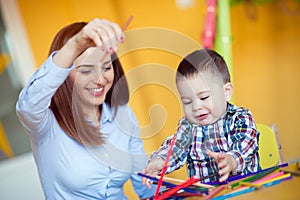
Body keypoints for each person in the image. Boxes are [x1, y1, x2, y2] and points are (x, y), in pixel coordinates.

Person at [16, 18, 155, 199]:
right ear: (64, 76)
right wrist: (75, 44)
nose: (99, 79)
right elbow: (27, 105)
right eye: (86, 70)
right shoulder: (45, 124)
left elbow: (147, 186)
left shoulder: (122, 113)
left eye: (106, 67)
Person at [143, 49, 261, 185]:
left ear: (226, 92)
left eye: (204, 97)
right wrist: (160, 160)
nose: (196, 107)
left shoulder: (240, 118)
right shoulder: (189, 126)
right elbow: (176, 148)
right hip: (205, 195)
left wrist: (231, 160)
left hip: (243, 191)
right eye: (187, 102)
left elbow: (245, 147)